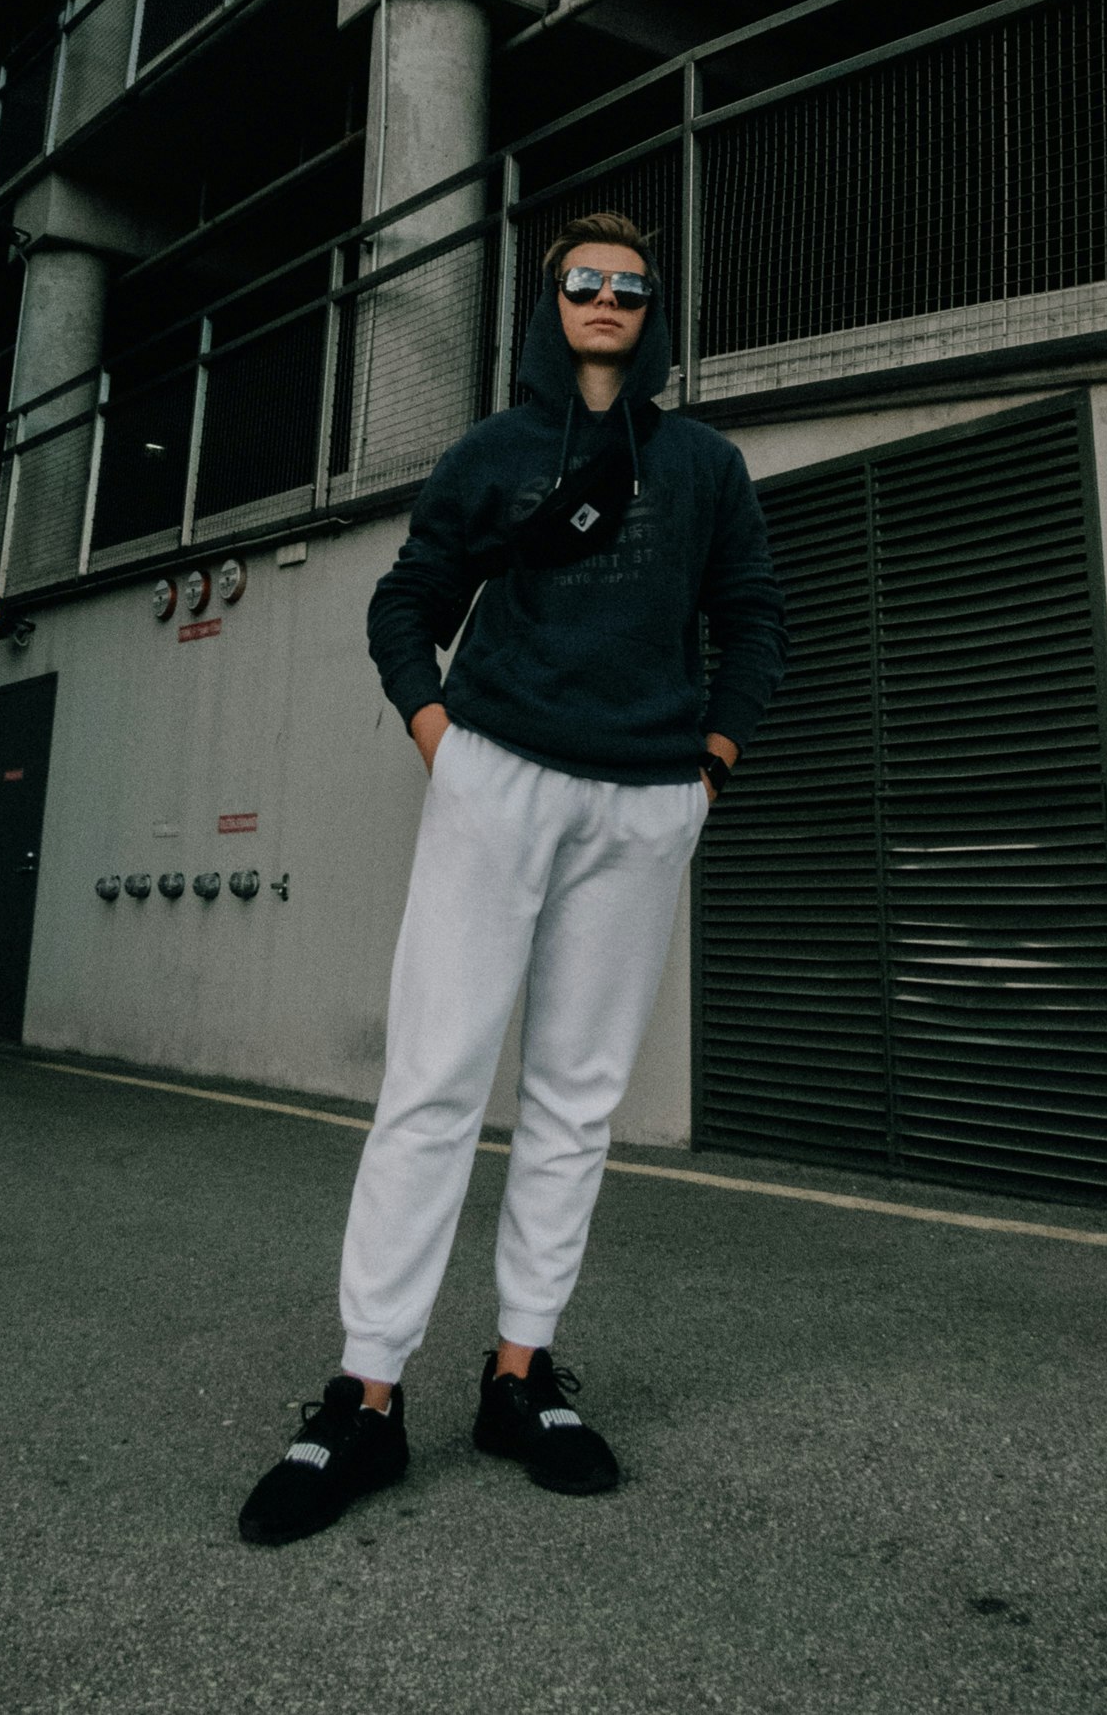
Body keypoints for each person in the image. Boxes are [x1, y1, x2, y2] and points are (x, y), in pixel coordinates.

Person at [238, 212, 787, 1546]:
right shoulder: (489, 453)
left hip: (647, 799)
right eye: (584, 283)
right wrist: (446, 743)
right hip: (503, 780)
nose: (608, 299)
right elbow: (405, 602)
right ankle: (366, 1398)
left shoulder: (707, 465)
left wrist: (707, 766)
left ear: (656, 311)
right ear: (552, 303)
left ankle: (521, 1375)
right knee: (434, 1081)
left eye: (631, 286)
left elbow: (752, 621)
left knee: (578, 1098)